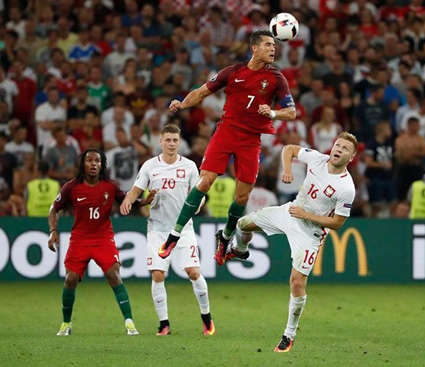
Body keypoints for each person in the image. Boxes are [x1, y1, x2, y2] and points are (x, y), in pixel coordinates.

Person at [159, 30, 296, 265]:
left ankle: (225, 237)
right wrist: (182, 104)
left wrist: (272, 112)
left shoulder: (276, 78)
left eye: (274, 45)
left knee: (242, 196)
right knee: (204, 182)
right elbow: (202, 92)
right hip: (226, 132)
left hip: (251, 140)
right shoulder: (234, 72)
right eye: (267, 44)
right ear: (254, 48)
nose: (273, 48)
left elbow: (291, 112)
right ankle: (174, 234)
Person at [227, 132, 357, 352]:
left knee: (297, 282)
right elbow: (289, 149)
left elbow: (336, 223)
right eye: (337, 145)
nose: (338, 149)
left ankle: (289, 335)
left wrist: (307, 215)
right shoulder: (317, 158)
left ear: (351, 158)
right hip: (290, 212)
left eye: (345, 149)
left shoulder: (346, 188)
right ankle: (240, 249)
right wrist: (287, 169)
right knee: (243, 224)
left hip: (311, 232)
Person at [120, 125, 215, 336]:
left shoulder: (190, 166)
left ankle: (207, 318)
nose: (171, 143)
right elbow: (135, 190)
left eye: (174, 140)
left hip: (183, 229)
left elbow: (199, 193)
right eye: (168, 140)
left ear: (179, 142)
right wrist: (127, 201)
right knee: (158, 274)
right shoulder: (149, 166)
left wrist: (197, 205)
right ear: (160, 142)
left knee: (194, 272)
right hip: (158, 229)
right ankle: (164, 324)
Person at [47, 149, 153, 336]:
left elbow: (127, 202)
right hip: (79, 239)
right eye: (89, 160)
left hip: (103, 238)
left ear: (102, 165)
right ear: (83, 165)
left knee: (113, 274)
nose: (94, 164)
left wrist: (144, 202)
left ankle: (129, 323)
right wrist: (53, 231)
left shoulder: (110, 186)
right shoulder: (71, 187)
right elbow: (53, 210)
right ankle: (65, 323)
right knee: (70, 279)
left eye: (97, 161)